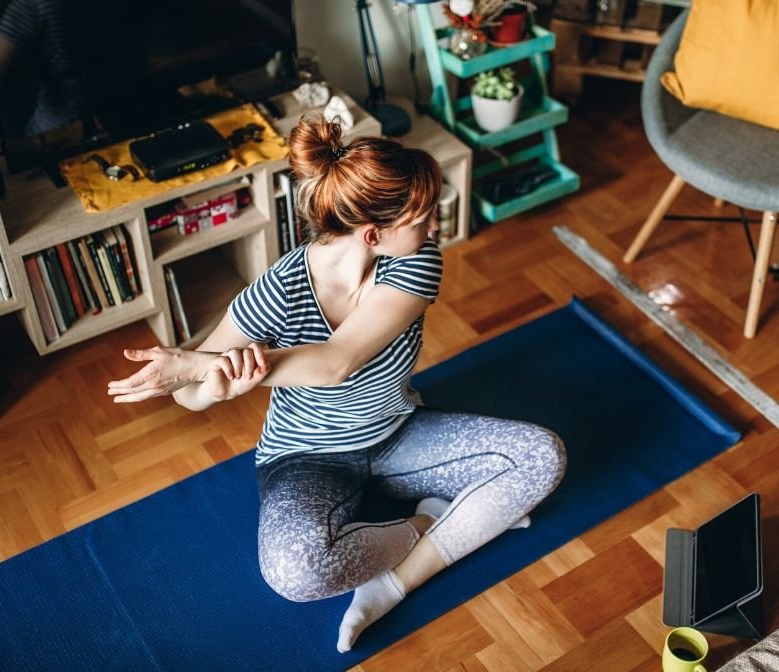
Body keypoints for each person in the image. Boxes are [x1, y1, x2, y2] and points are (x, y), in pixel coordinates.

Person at [107, 115, 566, 653]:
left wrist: (207, 364)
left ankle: (395, 583)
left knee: (542, 456)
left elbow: (337, 362)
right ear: (374, 234)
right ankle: (427, 521)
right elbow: (189, 397)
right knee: (296, 573)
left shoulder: (414, 263)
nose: (435, 229)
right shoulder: (278, 291)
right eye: (424, 219)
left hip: (396, 435)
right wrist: (215, 382)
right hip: (306, 457)